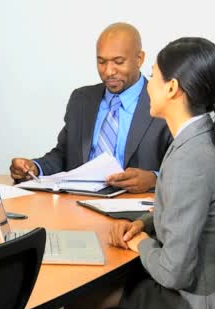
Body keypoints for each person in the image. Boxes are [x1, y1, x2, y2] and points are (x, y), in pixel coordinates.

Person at [57, 37, 215, 309]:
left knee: (84, 307)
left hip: (192, 305)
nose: (148, 86)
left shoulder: (189, 158)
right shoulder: (210, 135)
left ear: (173, 88)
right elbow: (193, 209)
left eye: (154, 75)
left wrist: (139, 242)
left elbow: (173, 272)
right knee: (95, 296)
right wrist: (144, 223)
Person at [10, 23, 172, 194]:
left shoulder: (163, 101)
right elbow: (64, 155)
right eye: (101, 62)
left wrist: (154, 179)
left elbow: (187, 170)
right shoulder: (82, 100)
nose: (109, 71)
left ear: (139, 59)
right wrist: (35, 167)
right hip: (78, 204)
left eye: (118, 62)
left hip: (136, 210)